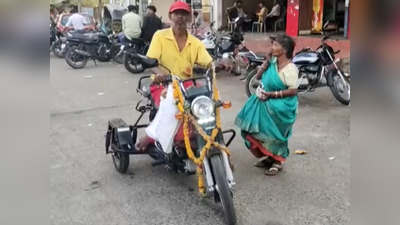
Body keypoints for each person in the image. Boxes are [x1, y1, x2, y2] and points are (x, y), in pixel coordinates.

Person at [135, 1, 232, 152]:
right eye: (176, 13)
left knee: (206, 101)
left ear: (189, 18)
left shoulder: (195, 42)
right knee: (173, 102)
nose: (180, 17)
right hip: (162, 85)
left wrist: (223, 62)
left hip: (186, 84)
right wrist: (160, 73)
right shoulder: (160, 36)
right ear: (170, 16)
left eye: (184, 14)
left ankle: (203, 135)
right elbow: (151, 61)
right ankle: (151, 136)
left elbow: (208, 62)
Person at [234, 34, 298, 176]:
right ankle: (269, 158)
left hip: (282, 108)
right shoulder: (273, 63)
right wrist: (266, 62)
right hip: (264, 103)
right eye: (272, 44)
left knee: (276, 135)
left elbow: (293, 90)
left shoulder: (290, 68)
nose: (272, 47)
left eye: (275, 45)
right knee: (255, 130)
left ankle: (277, 162)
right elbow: (258, 77)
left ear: (285, 49)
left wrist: (272, 95)